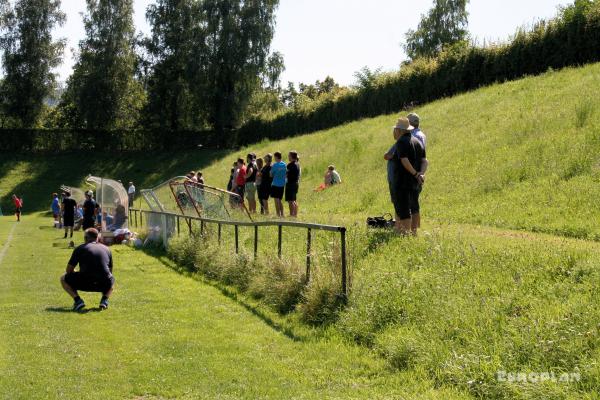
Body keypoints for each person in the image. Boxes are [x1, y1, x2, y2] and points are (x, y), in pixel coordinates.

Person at [60, 228, 115, 311]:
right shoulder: (107, 249)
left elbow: (68, 270)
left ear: (85, 238)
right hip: (103, 284)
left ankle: (78, 301)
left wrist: (77, 272)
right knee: (111, 279)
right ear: (97, 238)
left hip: (85, 282)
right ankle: (104, 300)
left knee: (63, 278)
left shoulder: (80, 248)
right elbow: (110, 271)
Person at [391, 117, 428, 235]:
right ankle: (414, 232)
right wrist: (421, 174)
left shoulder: (401, 142)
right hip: (414, 182)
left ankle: (405, 235)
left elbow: (404, 160)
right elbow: (425, 161)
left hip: (402, 182)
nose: (394, 131)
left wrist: (416, 173)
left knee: (404, 209)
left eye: (396, 129)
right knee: (414, 207)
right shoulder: (417, 141)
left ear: (400, 130)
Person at [270, 152, 287, 217]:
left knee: (276, 200)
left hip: (275, 184)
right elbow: (285, 174)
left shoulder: (275, 165)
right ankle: (282, 213)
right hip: (282, 184)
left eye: (274, 157)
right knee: (279, 200)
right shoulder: (284, 164)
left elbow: (271, 174)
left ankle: (278, 214)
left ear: (276, 157)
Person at [286, 151, 301, 217]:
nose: (288, 157)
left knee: (290, 201)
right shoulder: (297, 164)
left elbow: (286, 174)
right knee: (294, 200)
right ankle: (295, 214)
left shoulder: (290, 165)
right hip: (295, 183)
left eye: (289, 156)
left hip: (290, 184)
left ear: (292, 156)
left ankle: (292, 214)